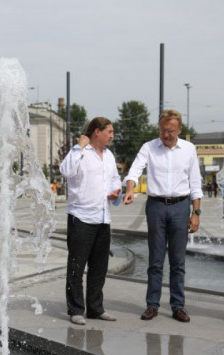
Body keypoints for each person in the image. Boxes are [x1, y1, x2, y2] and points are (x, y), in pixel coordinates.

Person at [123, 109, 203, 323]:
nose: (165, 135)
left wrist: (195, 213)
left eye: (170, 131)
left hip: (180, 206)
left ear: (179, 130)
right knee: (156, 260)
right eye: (162, 130)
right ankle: (152, 304)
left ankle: (178, 305)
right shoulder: (149, 147)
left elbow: (195, 183)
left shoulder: (189, 149)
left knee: (178, 261)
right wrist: (130, 189)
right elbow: (134, 171)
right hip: (156, 206)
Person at [60, 117, 122, 325]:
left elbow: (115, 180)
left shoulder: (110, 156)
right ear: (97, 132)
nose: (112, 135)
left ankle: (95, 308)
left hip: (103, 218)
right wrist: (78, 146)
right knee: (77, 267)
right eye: (109, 131)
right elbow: (66, 171)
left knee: (99, 267)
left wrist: (116, 193)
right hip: (82, 217)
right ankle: (76, 309)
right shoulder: (81, 153)